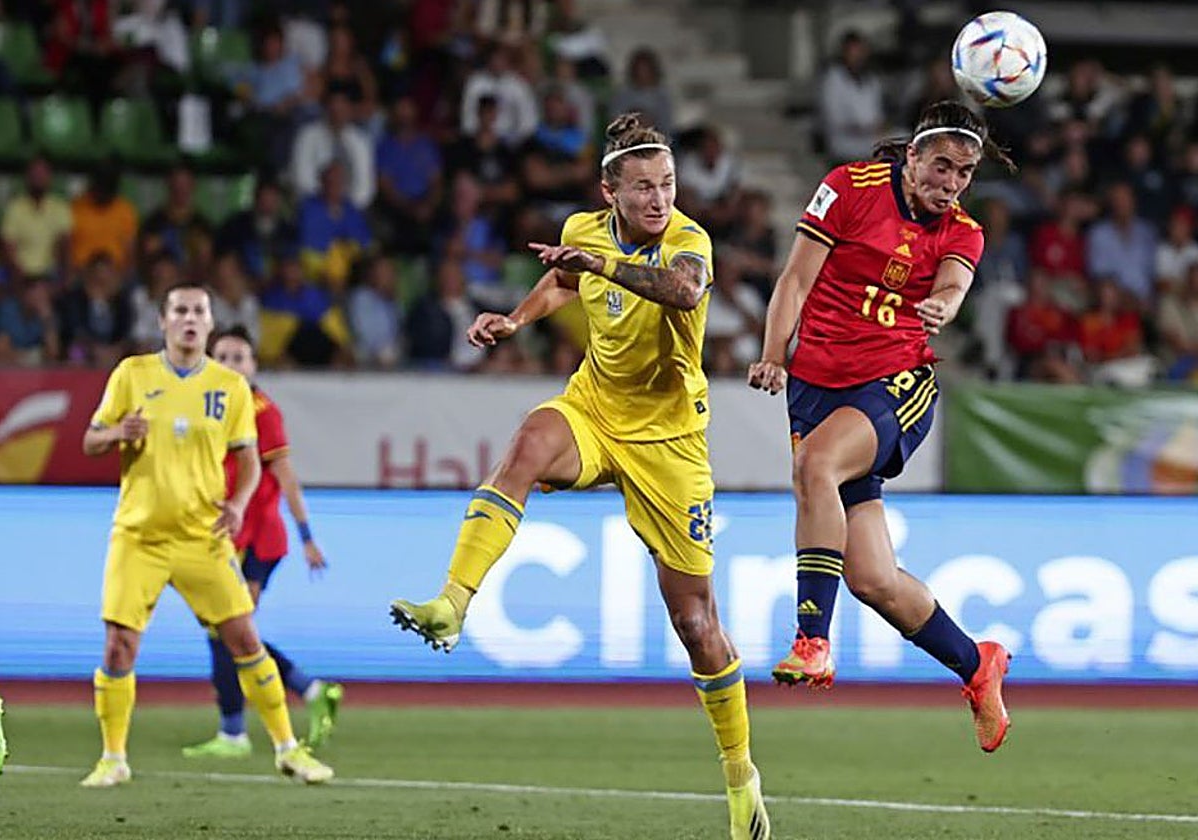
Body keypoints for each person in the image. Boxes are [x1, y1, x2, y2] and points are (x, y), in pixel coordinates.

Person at [390, 113, 771, 840]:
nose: (660, 200)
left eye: (667, 185)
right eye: (644, 189)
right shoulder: (584, 231)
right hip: (595, 408)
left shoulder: (689, 241)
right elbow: (564, 280)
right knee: (529, 441)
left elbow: (684, 292)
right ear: (609, 193)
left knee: (696, 624)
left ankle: (739, 774)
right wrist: (516, 317)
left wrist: (601, 267)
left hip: (670, 443)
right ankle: (452, 601)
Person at [747, 100, 1012, 753]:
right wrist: (774, 354)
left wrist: (943, 307)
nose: (951, 182)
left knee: (815, 466)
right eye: (942, 166)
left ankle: (811, 639)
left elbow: (954, 284)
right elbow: (795, 279)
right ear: (912, 156)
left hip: (896, 384)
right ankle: (978, 665)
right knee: (871, 578)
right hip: (815, 385)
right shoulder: (848, 188)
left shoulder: (962, 231)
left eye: (965, 172)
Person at [79, 282, 333, 787]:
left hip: (203, 537)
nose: (189, 318)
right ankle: (113, 758)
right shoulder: (132, 374)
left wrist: (238, 506)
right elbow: (89, 440)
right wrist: (114, 435)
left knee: (243, 638)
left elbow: (249, 461)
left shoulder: (231, 388)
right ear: (163, 321)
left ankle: (287, 747)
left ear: (209, 323)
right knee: (118, 647)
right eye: (180, 310)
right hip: (139, 536)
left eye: (199, 310)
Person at [183, 325, 343, 759]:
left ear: (254, 365)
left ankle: (234, 731)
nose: (232, 365)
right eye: (225, 357)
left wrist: (307, 535)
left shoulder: (262, 411)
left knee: (227, 628)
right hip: (221, 535)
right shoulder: (205, 406)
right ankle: (308, 689)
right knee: (230, 629)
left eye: (241, 357)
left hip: (257, 540)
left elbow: (285, 477)